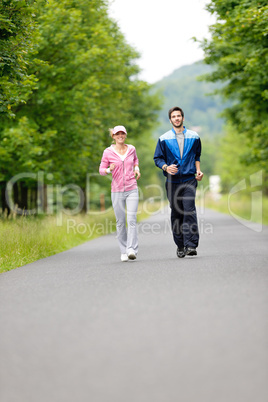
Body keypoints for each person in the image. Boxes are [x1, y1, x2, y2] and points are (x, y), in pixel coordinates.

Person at [153, 106, 203, 258]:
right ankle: (180, 244)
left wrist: (198, 171)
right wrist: (166, 167)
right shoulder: (164, 138)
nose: (176, 118)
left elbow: (197, 156)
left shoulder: (194, 137)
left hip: (189, 179)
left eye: (179, 116)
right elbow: (158, 158)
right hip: (172, 181)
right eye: (174, 116)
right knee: (177, 213)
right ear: (170, 120)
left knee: (189, 210)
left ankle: (191, 245)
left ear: (183, 118)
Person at [99, 125, 141, 262]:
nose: (120, 136)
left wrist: (137, 169)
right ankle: (123, 251)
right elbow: (101, 170)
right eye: (117, 134)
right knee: (121, 222)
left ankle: (131, 249)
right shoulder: (107, 152)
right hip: (116, 191)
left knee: (132, 219)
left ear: (125, 135)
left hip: (132, 188)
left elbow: (135, 160)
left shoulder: (131, 149)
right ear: (113, 136)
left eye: (122, 133)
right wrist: (108, 170)